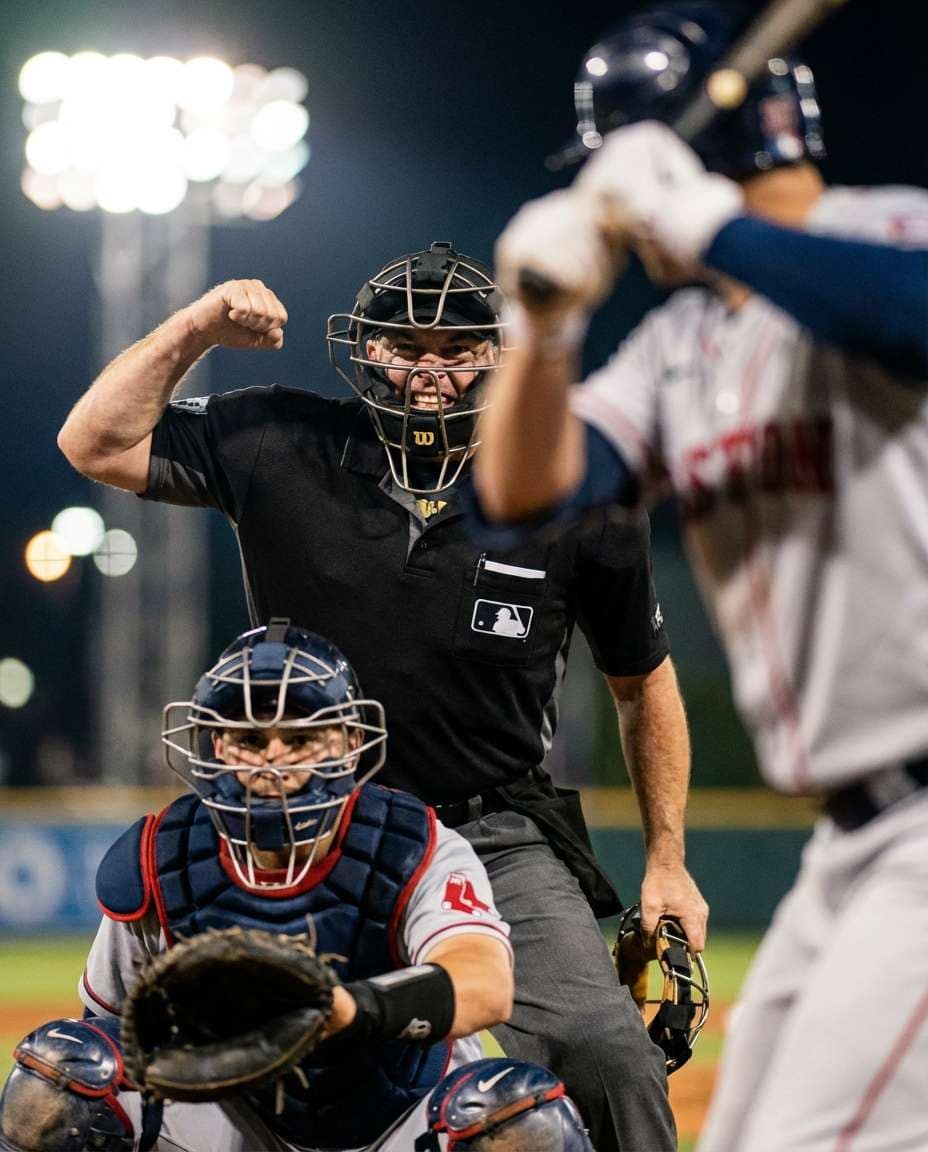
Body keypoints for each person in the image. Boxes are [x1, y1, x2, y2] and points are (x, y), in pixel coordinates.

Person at [58, 240, 708, 1150]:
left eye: (456, 347)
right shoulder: (278, 438)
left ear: (497, 354)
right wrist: (197, 325)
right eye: (404, 345)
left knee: (607, 1057)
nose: (429, 368)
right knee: (111, 1082)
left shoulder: (573, 488)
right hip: (308, 827)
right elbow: (95, 441)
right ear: (364, 352)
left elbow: (643, 684)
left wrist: (667, 859)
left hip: (494, 833)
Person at [473, 6, 928, 1152]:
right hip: (853, 844)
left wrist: (698, 214)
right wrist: (541, 332)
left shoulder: (889, 232)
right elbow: (526, 501)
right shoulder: (681, 345)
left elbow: (909, 316)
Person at [0, 621, 597, 1152]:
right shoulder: (164, 855)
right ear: (215, 747)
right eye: (250, 740)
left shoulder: (412, 845)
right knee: (58, 1080)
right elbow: (106, 1027)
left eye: (301, 738)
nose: (273, 762)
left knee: (522, 1119)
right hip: (231, 1112)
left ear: (348, 745)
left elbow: (486, 986)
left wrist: (349, 1010)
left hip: (401, 1112)